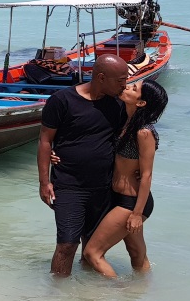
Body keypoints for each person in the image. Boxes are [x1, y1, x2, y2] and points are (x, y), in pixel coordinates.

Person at [37, 54, 128, 277]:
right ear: (101, 77)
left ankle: (84, 300)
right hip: (68, 185)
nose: (124, 85)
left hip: (103, 187)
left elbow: (125, 141)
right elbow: (45, 140)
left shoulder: (118, 105)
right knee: (67, 245)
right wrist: (44, 182)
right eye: (120, 80)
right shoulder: (62, 100)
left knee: (92, 248)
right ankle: (56, 295)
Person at [82, 79, 168, 278]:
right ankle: (140, 294)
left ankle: (117, 296)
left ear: (141, 103)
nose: (128, 87)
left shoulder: (143, 132)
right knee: (137, 254)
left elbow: (146, 175)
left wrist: (137, 214)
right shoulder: (125, 121)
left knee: (92, 253)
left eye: (134, 88)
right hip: (116, 197)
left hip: (132, 203)